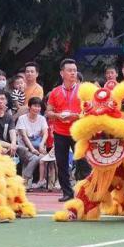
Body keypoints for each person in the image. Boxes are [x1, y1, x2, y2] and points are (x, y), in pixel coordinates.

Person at [46, 58, 86, 202]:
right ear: (62, 73)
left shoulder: (83, 90)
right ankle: (67, 192)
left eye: (75, 70)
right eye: (69, 70)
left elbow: (90, 111)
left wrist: (76, 116)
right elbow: (48, 112)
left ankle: (84, 193)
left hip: (78, 131)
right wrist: (57, 116)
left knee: (83, 163)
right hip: (60, 132)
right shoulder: (55, 92)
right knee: (61, 163)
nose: (73, 73)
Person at [15, 96, 49, 188]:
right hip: (24, 147)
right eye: (35, 106)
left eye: (39, 106)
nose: (37, 108)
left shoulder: (42, 119)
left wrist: (41, 144)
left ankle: (42, 181)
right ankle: (25, 180)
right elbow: (24, 136)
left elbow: (45, 133)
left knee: (44, 158)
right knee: (35, 158)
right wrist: (32, 149)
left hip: (37, 146)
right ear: (29, 107)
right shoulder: (22, 118)